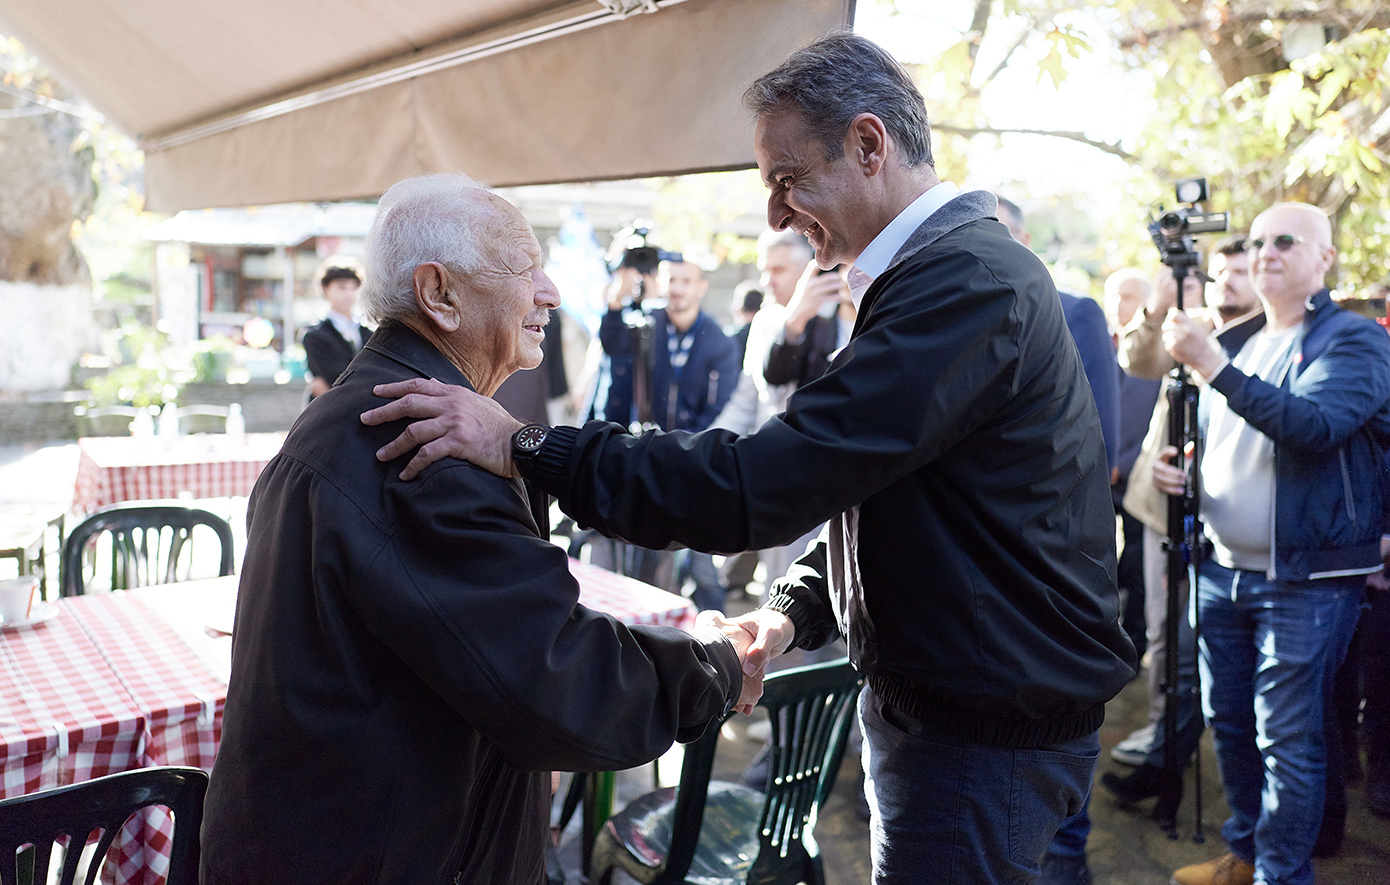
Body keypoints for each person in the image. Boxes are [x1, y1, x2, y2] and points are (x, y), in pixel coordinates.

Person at [361, 34, 1135, 885]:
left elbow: (761, 483)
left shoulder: (963, 285)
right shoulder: (941, 277)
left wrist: (524, 445)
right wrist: (795, 612)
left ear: (870, 145)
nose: (776, 216)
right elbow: (879, 495)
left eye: (786, 179)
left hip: (979, 736)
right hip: (969, 714)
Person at [199, 173, 753, 885]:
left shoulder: (362, 407)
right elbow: (561, 680)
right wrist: (719, 665)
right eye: (525, 267)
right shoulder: (419, 444)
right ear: (439, 294)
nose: (550, 291)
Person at [1155, 202, 1390, 885]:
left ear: (1326, 258)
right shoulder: (1244, 340)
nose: (1266, 251)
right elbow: (1240, 434)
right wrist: (1187, 464)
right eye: (1257, 241)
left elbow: (1313, 425)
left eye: (1287, 240)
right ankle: (1246, 855)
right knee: (1230, 726)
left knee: (1286, 740)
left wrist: (1211, 367)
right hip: (1221, 569)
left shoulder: (1354, 340)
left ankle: (1279, 875)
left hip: (1306, 580)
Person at [1104, 240, 1261, 802]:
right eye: (1218, 273)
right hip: (1161, 508)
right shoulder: (1191, 326)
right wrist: (1159, 302)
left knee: (1203, 644)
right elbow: (1138, 361)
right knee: (1163, 634)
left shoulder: (1271, 340)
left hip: (1230, 522)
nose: (1229, 283)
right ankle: (1163, 734)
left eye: (1240, 272)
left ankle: (1174, 749)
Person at [999, 195, 1121, 885]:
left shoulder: (1076, 310)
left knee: (1059, 715)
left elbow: (1100, 443)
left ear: (1021, 238)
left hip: (1056, 555)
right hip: (982, 572)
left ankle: (1067, 859)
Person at [303, 259, 372, 400]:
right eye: (341, 287)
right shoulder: (314, 334)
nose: (349, 294)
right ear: (325, 289)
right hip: (327, 411)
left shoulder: (369, 332)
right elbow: (334, 377)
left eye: (354, 288)